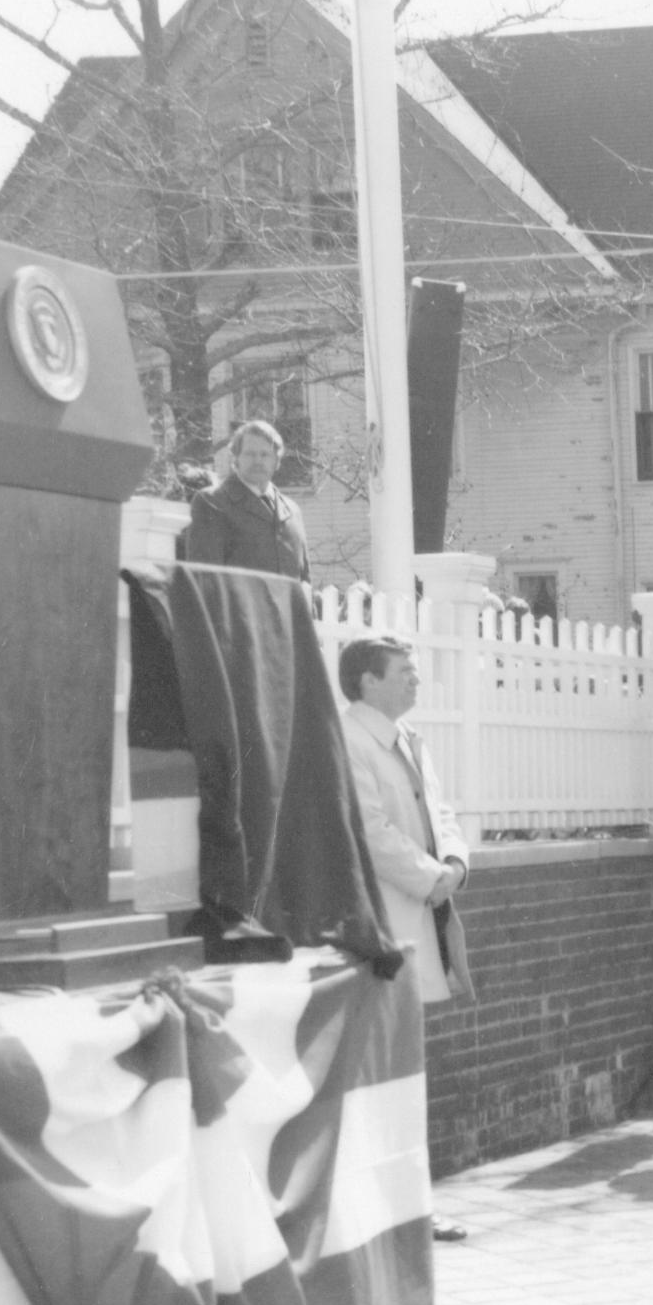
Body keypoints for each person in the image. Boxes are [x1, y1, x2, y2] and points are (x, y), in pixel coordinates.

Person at [338, 634, 473, 1005]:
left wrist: (455, 864)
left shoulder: (409, 739)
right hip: (379, 921)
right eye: (405, 672)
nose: (416, 680)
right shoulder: (347, 741)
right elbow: (369, 831)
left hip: (424, 909)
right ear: (369, 681)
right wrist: (432, 880)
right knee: (385, 1030)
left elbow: (438, 811)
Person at [179, 418, 312, 580]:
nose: (258, 460)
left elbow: (305, 583)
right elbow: (205, 581)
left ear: (276, 461)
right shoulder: (212, 502)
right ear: (235, 459)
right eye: (250, 454)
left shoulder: (292, 511)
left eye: (265, 454)